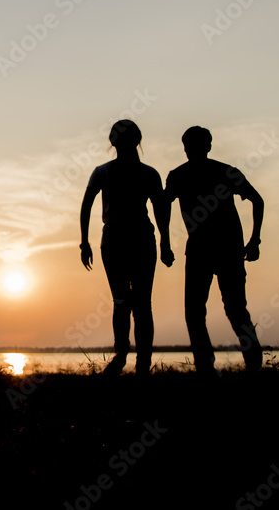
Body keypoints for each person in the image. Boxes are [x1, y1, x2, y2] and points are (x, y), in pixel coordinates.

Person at [161, 126, 263, 376]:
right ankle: (212, 367)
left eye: (193, 146)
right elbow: (164, 207)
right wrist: (164, 242)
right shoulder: (186, 175)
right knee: (219, 309)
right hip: (207, 249)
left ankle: (241, 365)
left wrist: (255, 240)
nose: (190, 150)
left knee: (221, 309)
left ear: (205, 147)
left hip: (221, 249)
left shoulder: (216, 172)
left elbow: (257, 200)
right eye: (189, 146)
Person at [80, 120, 173, 376]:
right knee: (139, 303)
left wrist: (84, 241)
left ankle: (132, 358)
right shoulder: (142, 173)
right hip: (129, 240)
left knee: (125, 301)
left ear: (113, 141)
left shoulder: (111, 172)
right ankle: (133, 359)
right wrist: (84, 241)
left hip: (124, 240)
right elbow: (87, 204)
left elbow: (87, 204)